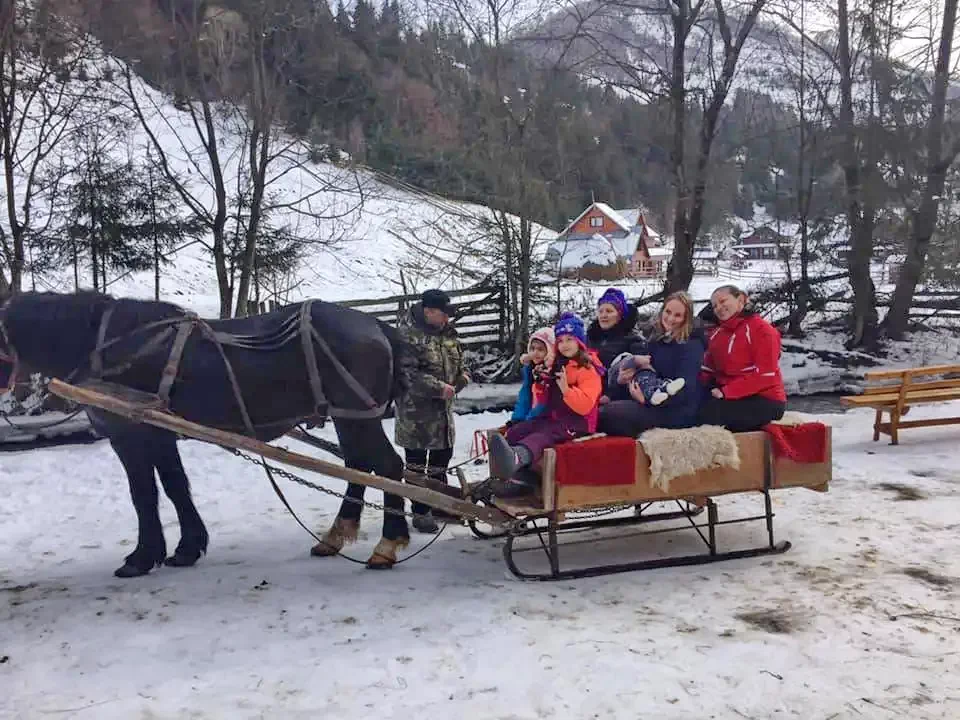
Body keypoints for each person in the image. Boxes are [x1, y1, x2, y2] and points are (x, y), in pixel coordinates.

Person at [488, 312, 604, 496]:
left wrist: (566, 390)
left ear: (579, 342)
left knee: (543, 436)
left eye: (569, 339)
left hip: (577, 423)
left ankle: (517, 457)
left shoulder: (588, 369)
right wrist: (541, 382)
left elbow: (585, 406)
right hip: (555, 418)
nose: (565, 345)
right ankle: (520, 477)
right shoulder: (559, 365)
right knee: (520, 430)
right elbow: (543, 399)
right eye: (561, 340)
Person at [394, 288, 470, 533]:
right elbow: (407, 373)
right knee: (417, 464)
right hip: (416, 415)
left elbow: (461, 362)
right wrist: (439, 388)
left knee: (441, 459)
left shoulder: (448, 333)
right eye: (442, 313)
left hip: (443, 413)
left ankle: (438, 504)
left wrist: (463, 377)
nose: (447, 318)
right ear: (428, 311)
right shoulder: (407, 335)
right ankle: (420, 510)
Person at [598, 292, 706, 437]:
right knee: (602, 412)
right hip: (650, 399)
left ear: (686, 319)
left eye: (678, 315)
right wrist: (623, 382)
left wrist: (646, 400)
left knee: (608, 415)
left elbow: (686, 388)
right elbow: (645, 374)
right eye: (668, 312)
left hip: (675, 410)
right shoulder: (657, 340)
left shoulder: (692, 345)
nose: (670, 318)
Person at [698, 284, 787, 431]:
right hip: (728, 393)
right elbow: (708, 370)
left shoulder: (763, 330)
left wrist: (726, 392)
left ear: (740, 299)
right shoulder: (717, 334)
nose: (719, 308)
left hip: (764, 398)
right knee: (692, 404)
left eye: (723, 301)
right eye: (714, 306)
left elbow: (765, 376)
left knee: (710, 414)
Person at [587, 287, 647, 372]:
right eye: (600, 311)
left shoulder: (634, 340)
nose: (603, 315)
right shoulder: (591, 336)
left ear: (619, 315)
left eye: (609, 311)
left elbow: (642, 369)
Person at [510, 327, 555, 424]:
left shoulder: (550, 373)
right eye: (532, 348)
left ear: (549, 351)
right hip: (531, 418)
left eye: (540, 349)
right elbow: (525, 397)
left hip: (544, 420)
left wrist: (527, 422)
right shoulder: (530, 369)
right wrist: (517, 419)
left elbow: (542, 403)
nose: (535, 352)